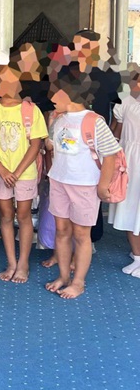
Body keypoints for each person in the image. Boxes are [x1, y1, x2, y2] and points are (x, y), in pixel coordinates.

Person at [45, 66, 121, 299]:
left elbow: (110, 154)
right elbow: (51, 146)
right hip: (59, 181)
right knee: (61, 231)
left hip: (85, 185)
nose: (51, 98)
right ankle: (63, 276)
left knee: (81, 234)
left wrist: (103, 185)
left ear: (69, 93)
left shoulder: (94, 121)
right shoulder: (59, 119)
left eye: (55, 93)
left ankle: (78, 282)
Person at [0, 61, 47, 283]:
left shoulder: (30, 110)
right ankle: (11, 262)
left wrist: (17, 171)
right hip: (0, 172)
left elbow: (36, 144)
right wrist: (1, 168)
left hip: (24, 172)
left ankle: (23, 263)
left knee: (23, 215)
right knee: (5, 215)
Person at [108, 67, 140, 276]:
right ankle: (137, 255)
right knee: (130, 205)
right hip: (130, 160)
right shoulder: (126, 102)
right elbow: (116, 132)